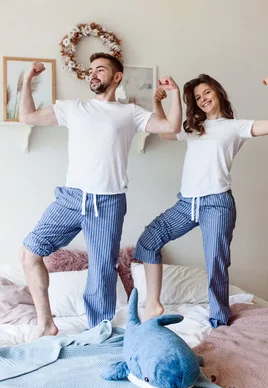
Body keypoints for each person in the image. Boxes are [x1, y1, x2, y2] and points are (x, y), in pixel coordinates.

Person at [19, 52, 183, 339]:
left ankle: (99, 332)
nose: (93, 74)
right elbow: (27, 117)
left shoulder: (129, 113)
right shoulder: (74, 108)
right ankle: (45, 323)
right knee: (30, 252)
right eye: (91, 70)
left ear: (117, 77)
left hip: (108, 202)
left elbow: (171, 127)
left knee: (102, 271)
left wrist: (175, 94)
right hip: (71, 198)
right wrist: (27, 81)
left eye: (101, 69)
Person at [134, 73, 268, 327]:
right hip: (186, 204)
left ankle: (219, 321)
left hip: (216, 204)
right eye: (197, 97)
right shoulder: (193, 128)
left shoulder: (235, 127)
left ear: (217, 93)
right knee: (148, 241)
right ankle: (153, 303)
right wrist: (162, 100)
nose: (203, 99)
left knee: (215, 263)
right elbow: (165, 131)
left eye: (206, 93)